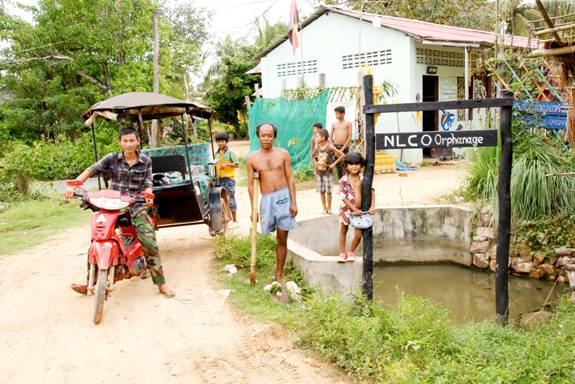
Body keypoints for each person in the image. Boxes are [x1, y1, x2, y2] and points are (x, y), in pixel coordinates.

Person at [64, 127, 175, 297]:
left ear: (137, 141)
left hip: (136, 206)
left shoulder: (145, 161)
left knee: (149, 243)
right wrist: (75, 185)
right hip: (112, 206)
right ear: (120, 142)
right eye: (125, 141)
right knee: (97, 240)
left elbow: (147, 182)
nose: (129, 144)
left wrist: (148, 194)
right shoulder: (112, 158)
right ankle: (90, 283)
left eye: (132, 140)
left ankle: (161, 284)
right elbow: (91, 169)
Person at [247, 123, 297, 284]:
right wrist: (253, 209)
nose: (266, 138)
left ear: (274, 136)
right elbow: (250, 184)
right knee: (267, 235)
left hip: (284, 198)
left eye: (269, 135)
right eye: (263, 135)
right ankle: (259, 266)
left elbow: (290, 178)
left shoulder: (283, 154)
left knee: (282, 237)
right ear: (258, 137)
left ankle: (278, 274)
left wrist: (294, 202)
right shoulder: (252, 158)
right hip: (266, 200)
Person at [338, 152, 375, 263]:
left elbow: (372, 192)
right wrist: (354, 209)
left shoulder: (363, 178)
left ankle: (351, 252)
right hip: (346, 210)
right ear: (347, 166)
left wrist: (373, 206)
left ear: (361, 165)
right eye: (351, 164)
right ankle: (342, 252)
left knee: (358, 235)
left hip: (361, 212)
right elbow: (343, 197)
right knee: (343, 230)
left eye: (357, 164)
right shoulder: (343, 180)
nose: (354, 166)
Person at [312, 128, 344, 214]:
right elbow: (312, 156)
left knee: (328, 191)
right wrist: (315, 163)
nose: (315, 138)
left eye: (317, 136)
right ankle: (324, 208)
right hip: (320, 173)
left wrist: (334, 164)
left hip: (327, 173)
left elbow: (341, 155)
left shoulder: (330, 147)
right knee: (321, 191)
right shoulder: (316, 147)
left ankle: (329, 208)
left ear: (323, 137)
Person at [214, 132, 239, 228]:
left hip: (229, 179)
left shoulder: (230, 152)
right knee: (223, 200)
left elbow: (237, 164)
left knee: (231, 198)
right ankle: (227, 218)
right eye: (218, 141)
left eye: (222, 141)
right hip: (219, 179)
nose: (220, 143)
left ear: (226, 142)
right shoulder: (216, 153)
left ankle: (235, 221)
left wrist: (227, 164)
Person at [330, 106, 353, 179]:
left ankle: (346, 185)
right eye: (335, 114)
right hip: (335, 148)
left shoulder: (348, 124)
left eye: (337, 114)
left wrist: (342, 150)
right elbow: (330, 137)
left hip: (344, 148)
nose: (336, 115)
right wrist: (333, 148)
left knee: (345, 166)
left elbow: (349, 138)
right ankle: (341, 186)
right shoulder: (334, 124)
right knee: (338, 167)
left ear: (342, 114)